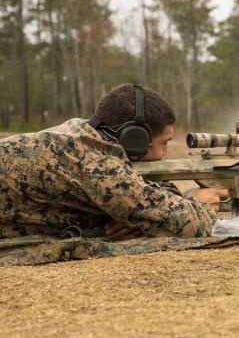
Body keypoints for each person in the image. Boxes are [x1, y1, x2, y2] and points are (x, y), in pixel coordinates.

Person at [0, 83, 227, 239]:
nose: (165, 153)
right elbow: (187, 225)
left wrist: (136, 215)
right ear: (136, 138)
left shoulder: (81, 132)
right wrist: (199, 205)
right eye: (164, 143)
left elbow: (142, 192)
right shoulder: (100, 167)